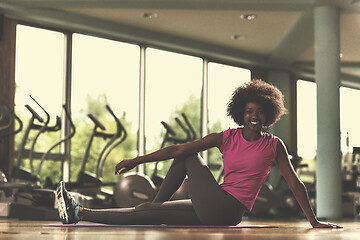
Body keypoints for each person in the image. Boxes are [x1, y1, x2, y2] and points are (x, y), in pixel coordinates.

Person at [56, 79, 342, 228]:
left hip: (229, 209)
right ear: (241, 113)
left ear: (269, 114)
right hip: (214, 207)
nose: (254, 116)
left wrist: (313, 220)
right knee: (150, 212)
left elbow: (295, 183)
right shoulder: (225, 137)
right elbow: (176, 149)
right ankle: (78, 212)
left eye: (260, 112)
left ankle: (152, 204)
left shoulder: (273, 145)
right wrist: (137, 160)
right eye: (248, 111)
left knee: (189, 156)